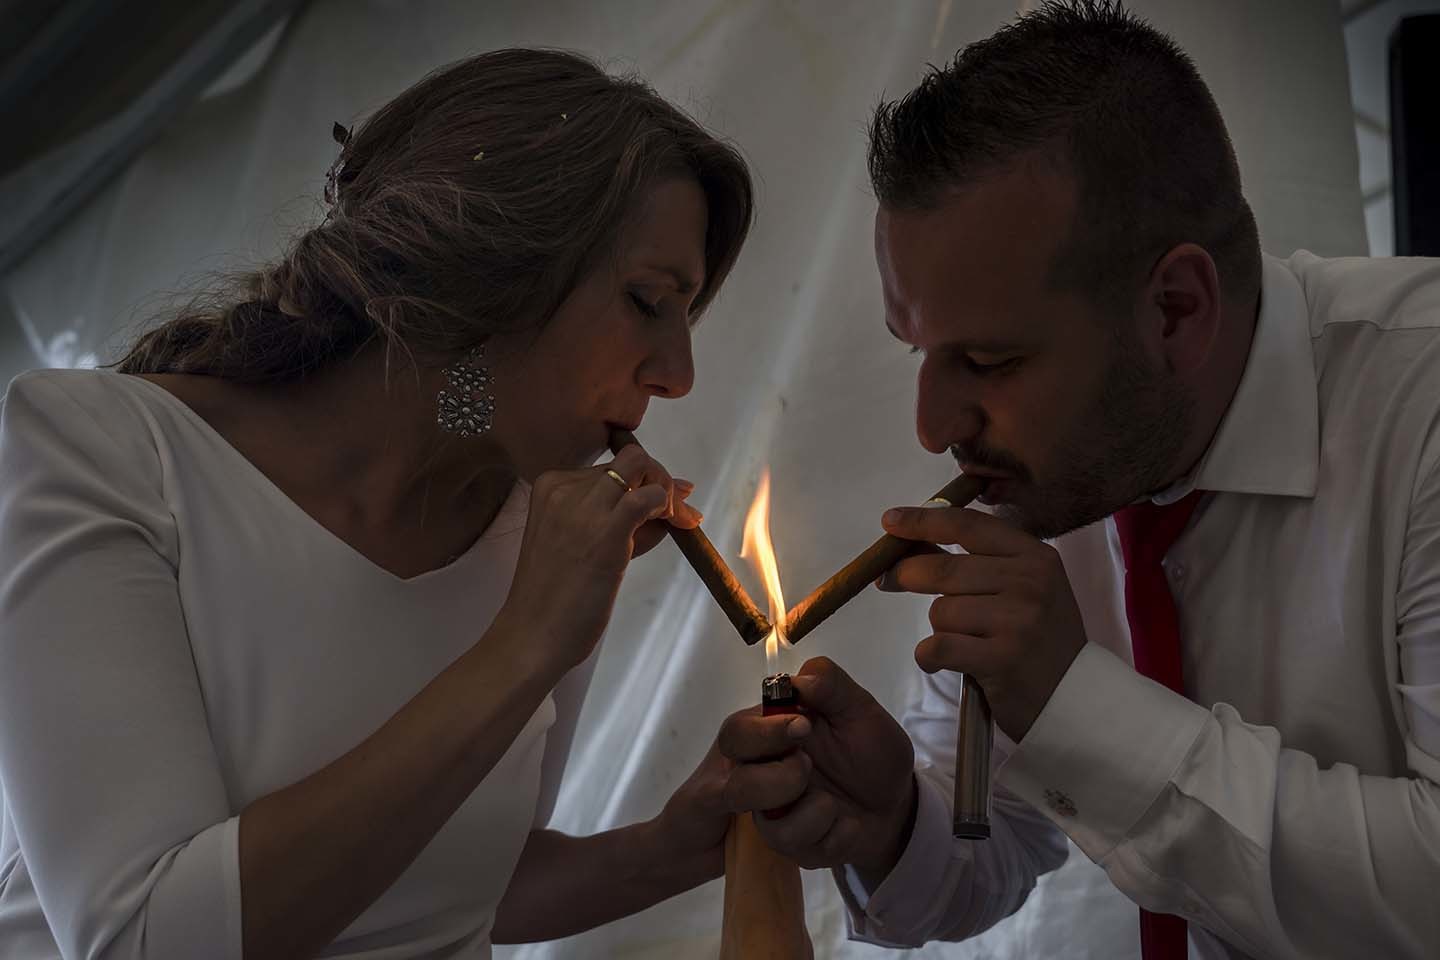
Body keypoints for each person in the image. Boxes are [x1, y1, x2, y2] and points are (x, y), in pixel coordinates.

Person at [718, 2, 1440, 958]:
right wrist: (891, 816)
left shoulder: (1420, 407)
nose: (933, 427)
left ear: (1176, 311)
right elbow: (991, 847)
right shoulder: (1054, 471)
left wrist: (1077, 703)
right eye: (919, 355)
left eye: (990, 360)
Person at [0, 48, 754, 960]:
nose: (677, 376)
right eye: (647, 301)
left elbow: (452, 880)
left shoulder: (537, 532)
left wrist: (669, 851)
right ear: (493, 272)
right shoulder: (102, 448)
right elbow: (144, 938)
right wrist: (521, 647)